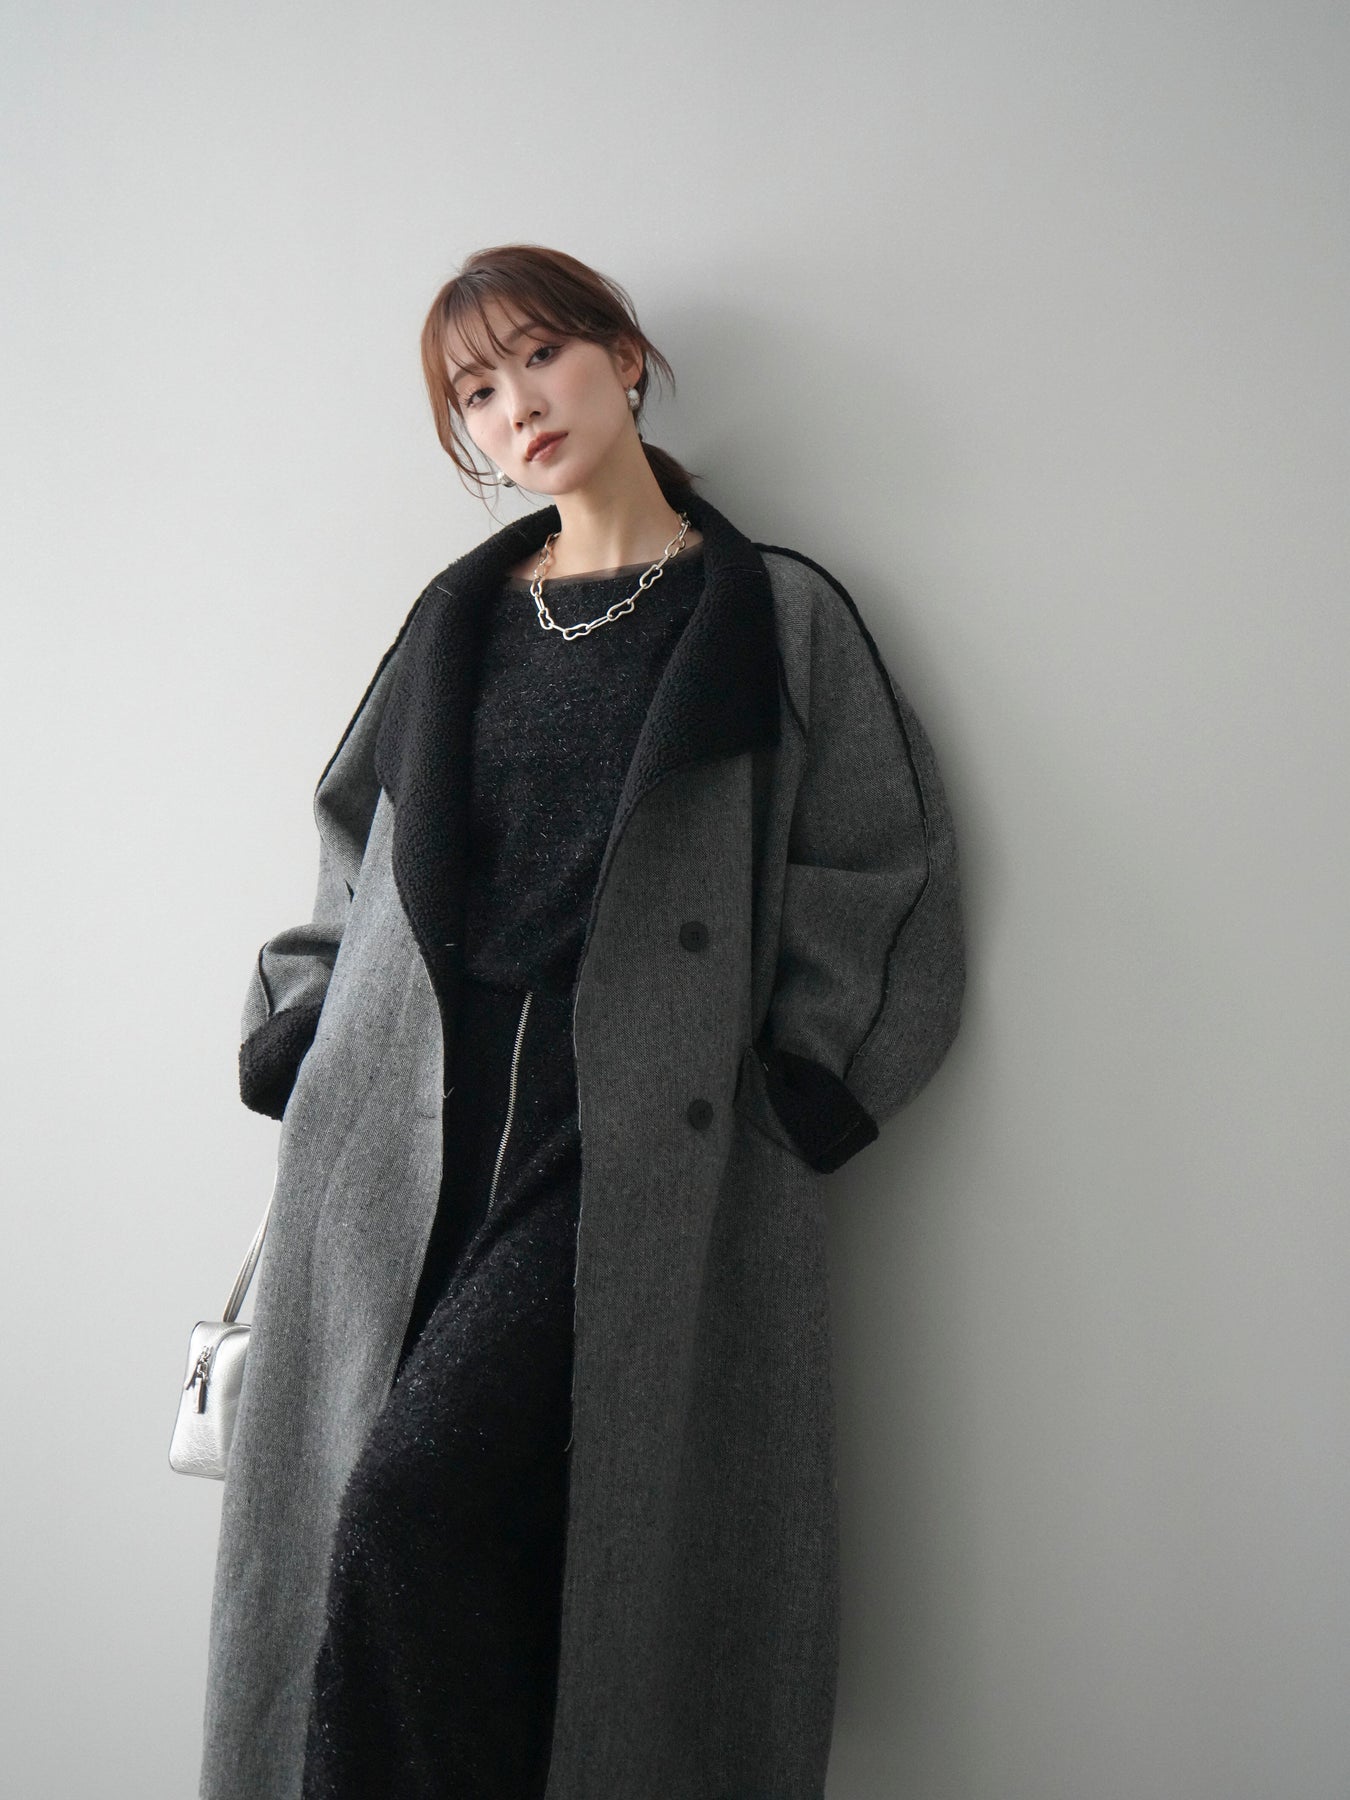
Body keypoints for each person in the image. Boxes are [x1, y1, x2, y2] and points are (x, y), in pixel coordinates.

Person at [200, 243, 967, 1800]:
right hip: (405, 1128)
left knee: (419, 1505)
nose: (517, 407)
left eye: (540, 356)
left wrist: (809, 1079)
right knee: (399, 1531)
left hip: (625, 1134)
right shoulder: (456, 621)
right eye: (475, 394)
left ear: (623, 356)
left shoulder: (769, 613)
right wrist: (301, 1022)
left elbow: (879, 863)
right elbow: (351, 846)